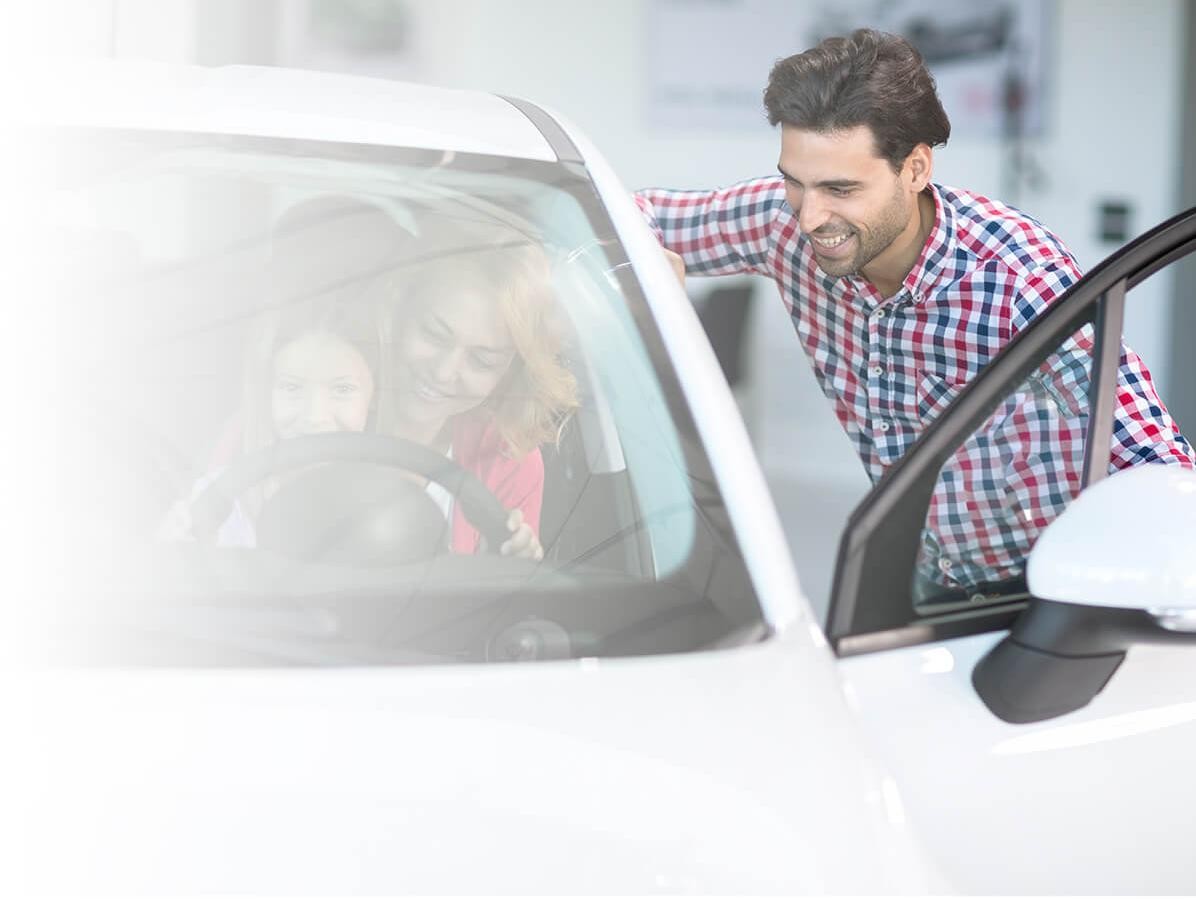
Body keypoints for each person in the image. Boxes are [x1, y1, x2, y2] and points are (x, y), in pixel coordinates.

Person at [635, 28, 1194, 594]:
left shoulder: (1017, 279)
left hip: (1048, 586)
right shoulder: (783, 223)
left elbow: (1157, 463)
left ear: (916, 169)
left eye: (841, 189)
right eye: (795, 183)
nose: (809, 218)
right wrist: (644, 269)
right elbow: (633, 216)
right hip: (922, 572)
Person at [381, 240, 580, 560]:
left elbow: (506, 590)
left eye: (482, 361)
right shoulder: (322, 407)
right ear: (397, 309)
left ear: (509, 373)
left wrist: (502, 569)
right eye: (434, 334)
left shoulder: (508, 459)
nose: (444, 372)